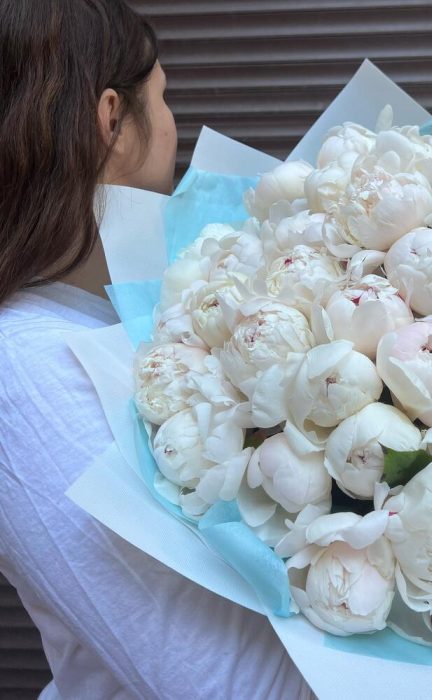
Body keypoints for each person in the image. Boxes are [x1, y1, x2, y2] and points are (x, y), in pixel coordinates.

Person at [0, 1, 313, 698]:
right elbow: (224, 685)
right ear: (110, 122)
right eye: (165, 100)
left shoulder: (112, 311)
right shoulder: (20, 372)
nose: (175, 130)